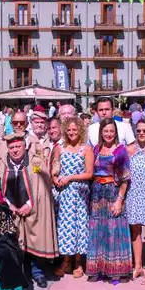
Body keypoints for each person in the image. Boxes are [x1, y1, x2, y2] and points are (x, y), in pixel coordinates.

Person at [0, 132, 58, 287]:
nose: (15, 150)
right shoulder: (2, 163)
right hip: (10, 209)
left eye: (18, 146)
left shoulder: (36, 161)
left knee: (35, 239)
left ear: (25, 146)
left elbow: (43, 184)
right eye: (11, 147)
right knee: (14, 242)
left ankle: (37, 272)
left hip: (32, 207)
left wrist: (29, 204)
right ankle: (20, 272)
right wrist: (7, 204)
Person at [87, 119, 132, 283]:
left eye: (111, 131)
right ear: (101, 132)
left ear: (116, 132)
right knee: (98, 229)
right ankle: (99, 268)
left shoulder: (120, 151)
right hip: (98, 193)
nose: (109, 134)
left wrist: (119, 199)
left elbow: (125, 179)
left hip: (113, 192)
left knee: (114, 230)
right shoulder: (96, 149)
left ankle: (117, 271)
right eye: (105, 131)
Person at [52, 117, 93, 278]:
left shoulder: (86, 149)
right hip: (63, 194)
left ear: (80, 130)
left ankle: (78, 263)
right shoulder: (59, 148)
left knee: (79, 226)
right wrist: (56, 179)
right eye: (68, 130)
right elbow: (54, 170)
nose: (71, 132)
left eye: (74, 129)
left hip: (79, 194)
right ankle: (66, 261)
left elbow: (89, 173)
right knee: (65, 227)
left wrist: (70, 178)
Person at [126, 119, 145, 285]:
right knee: (136, 231)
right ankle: (138, 265)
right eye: (139, 131)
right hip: (133, 194)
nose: (142, 134)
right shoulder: (129, 150)